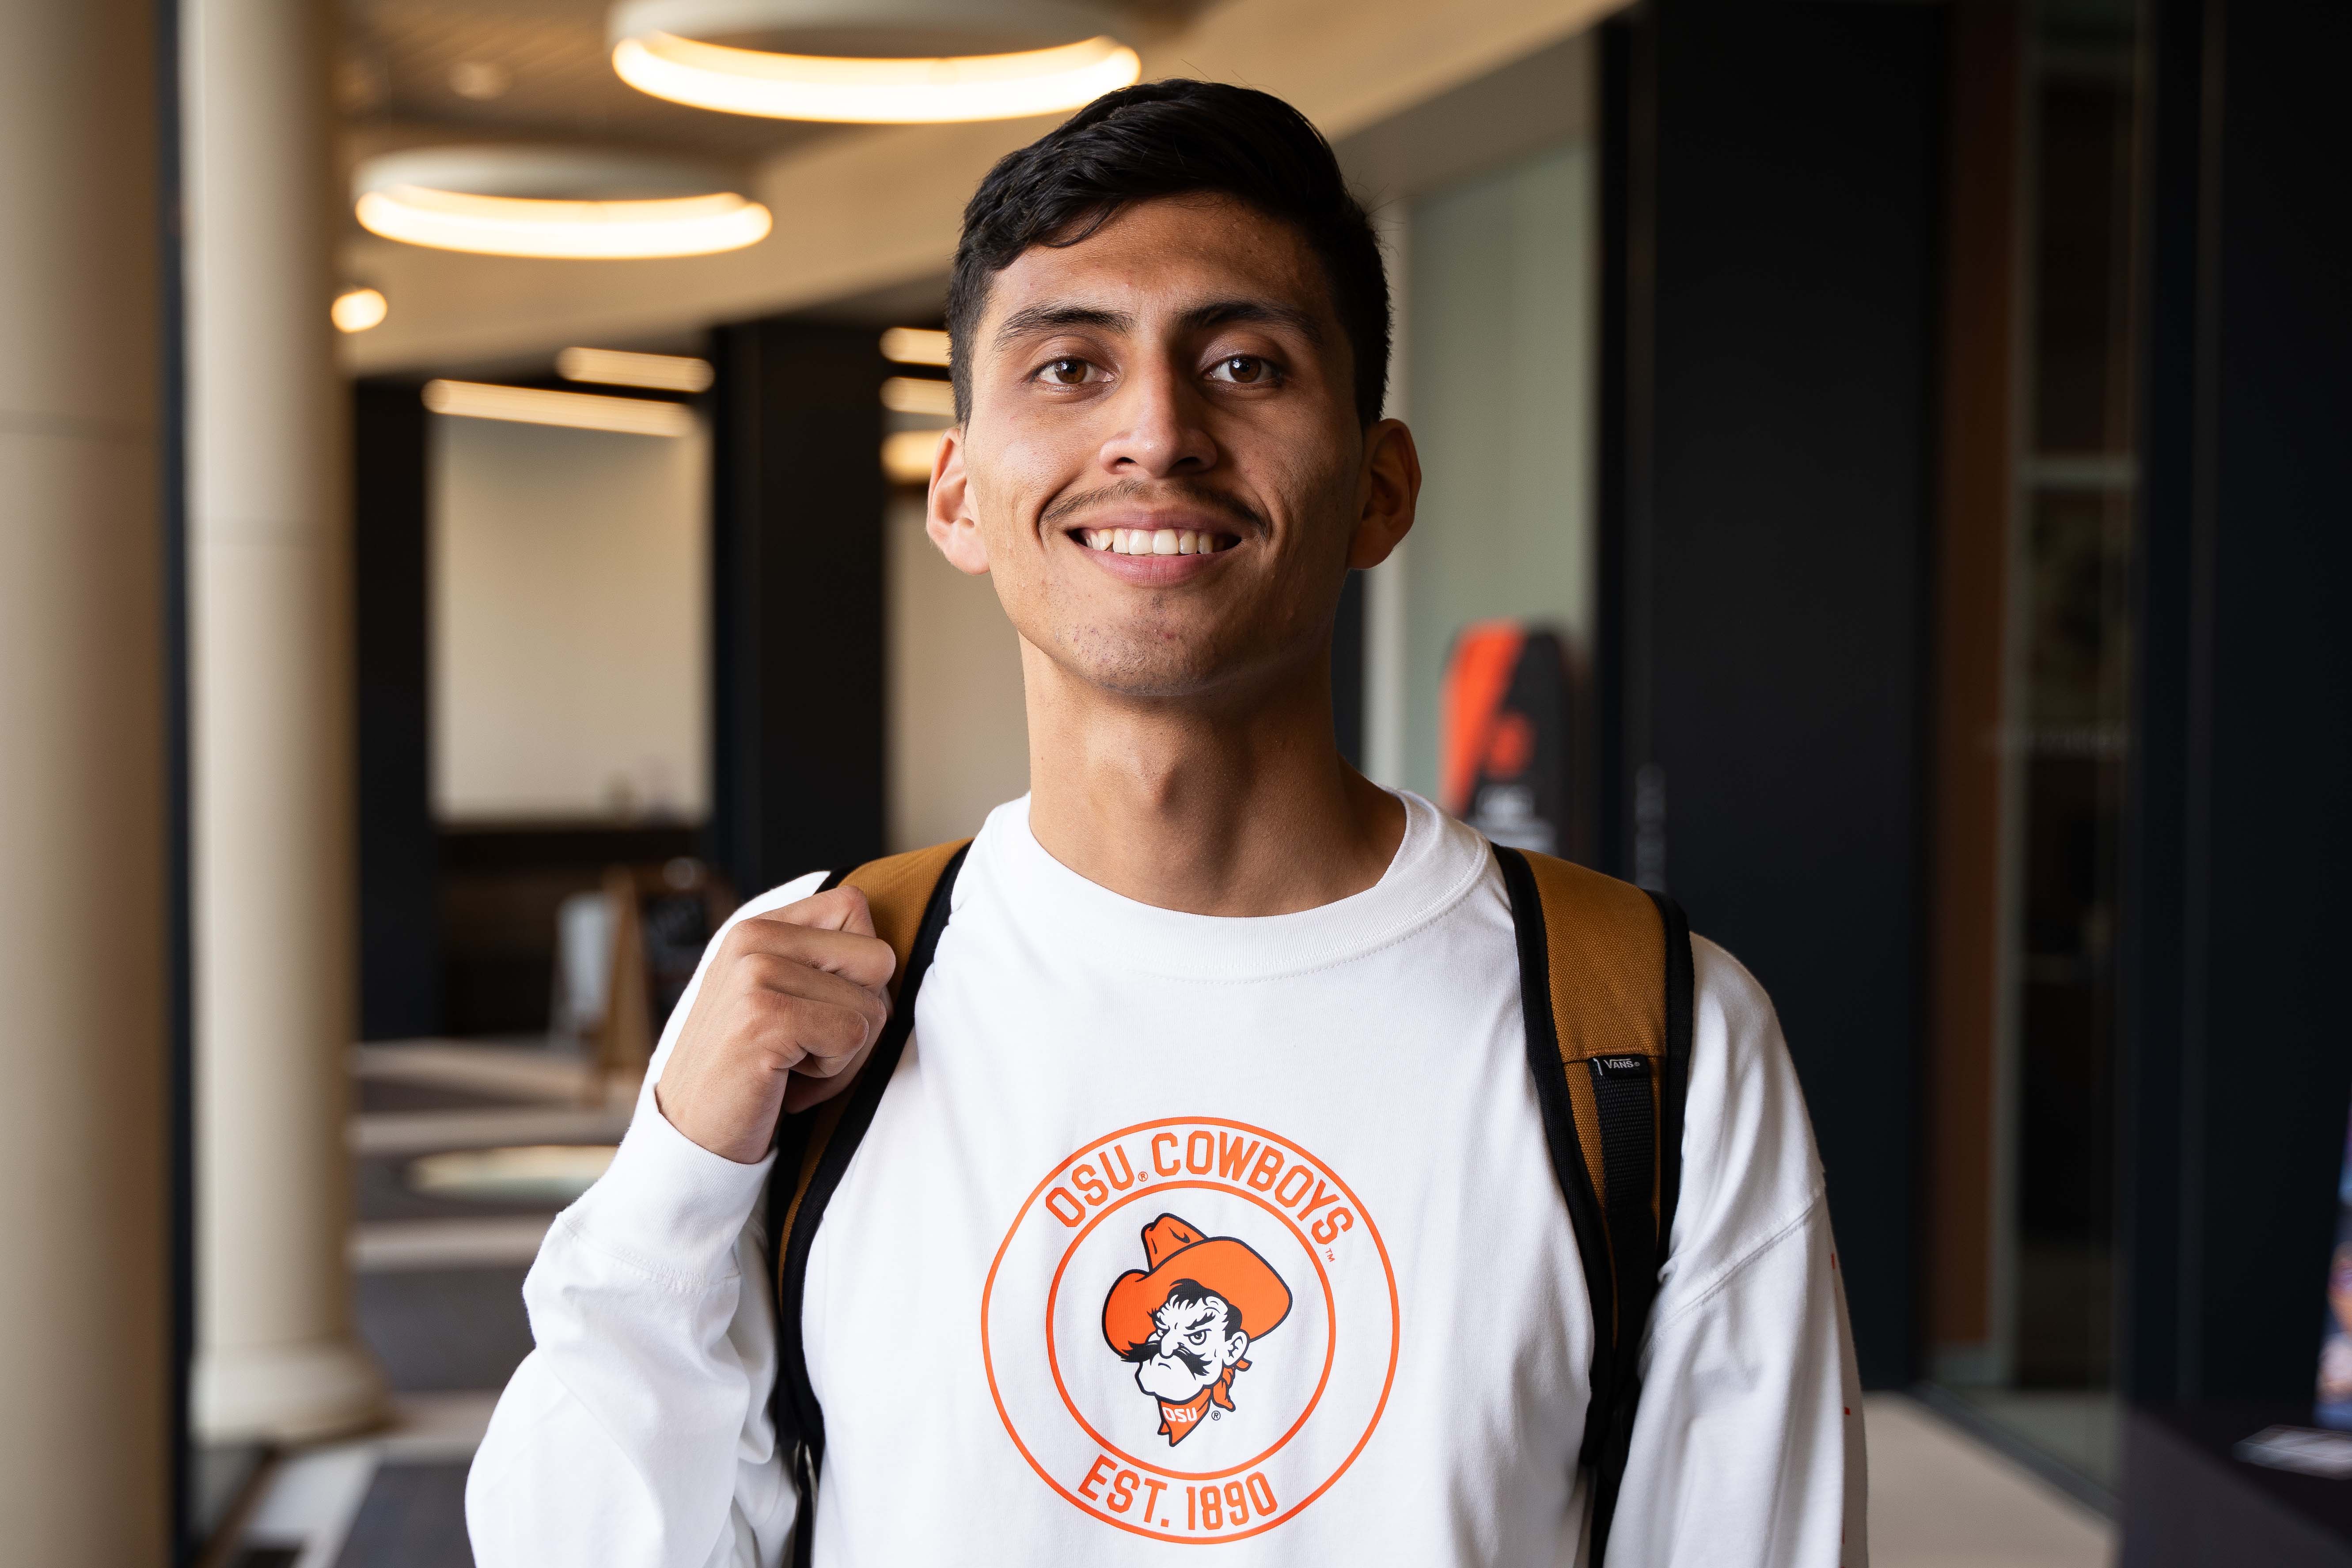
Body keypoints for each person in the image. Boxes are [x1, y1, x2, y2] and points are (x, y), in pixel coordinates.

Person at [467, 79, 1866, 1567]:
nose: (1154, 429)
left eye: (1245, 363)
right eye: (1068, 365)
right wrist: (680, 1171)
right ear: (957, 495)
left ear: (1378, 489)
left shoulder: (1651, 1031)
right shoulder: (819, 984)